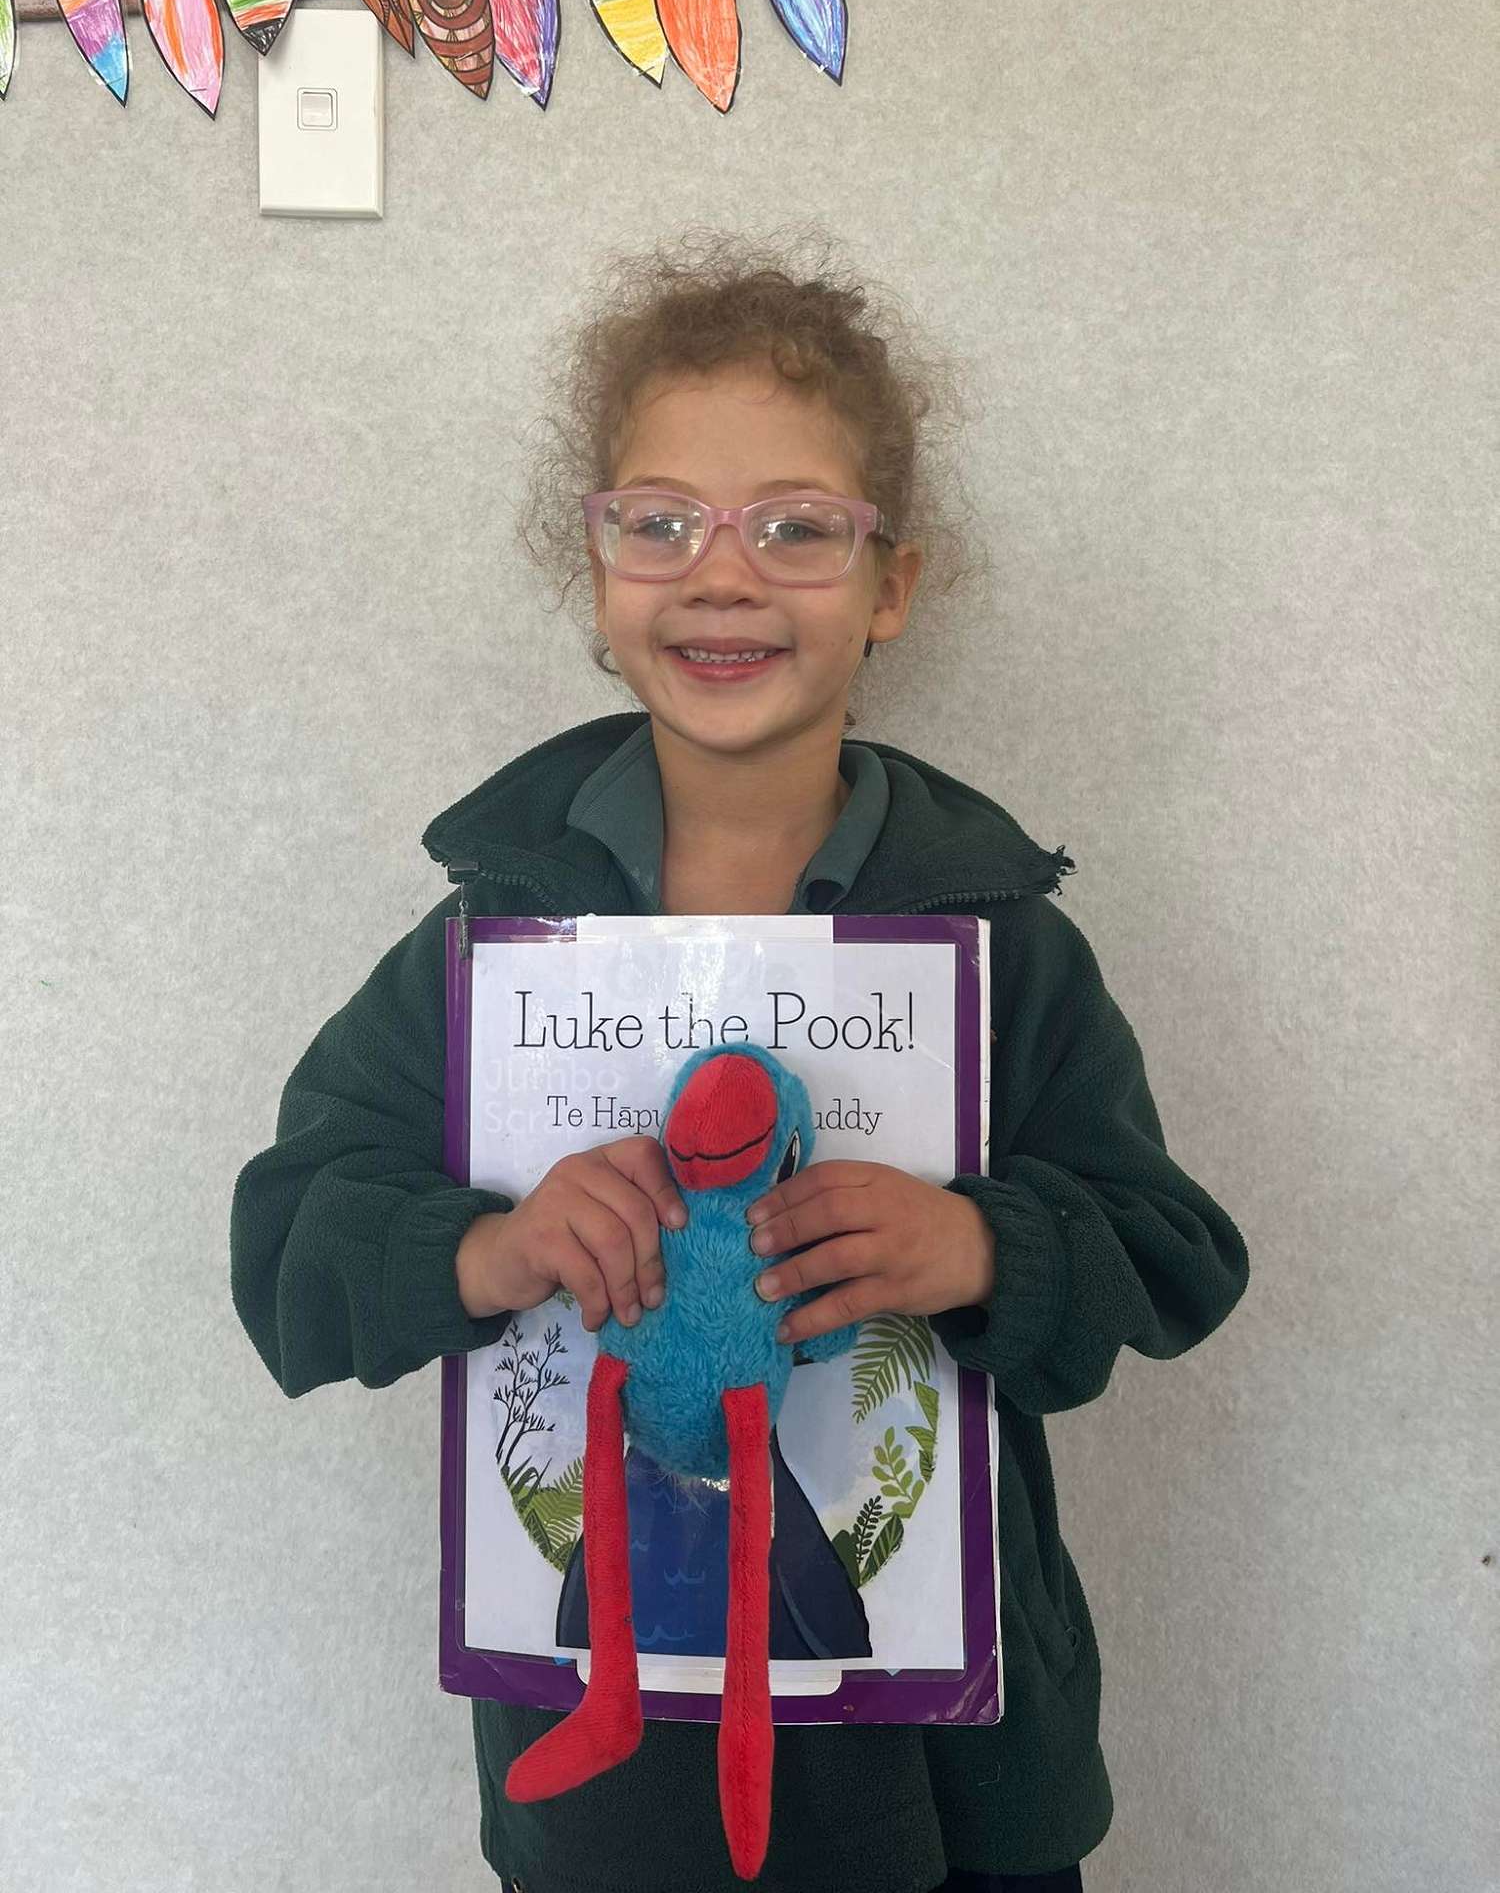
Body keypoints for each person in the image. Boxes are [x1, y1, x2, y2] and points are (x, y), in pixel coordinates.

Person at [230, 227, 1250, 1893]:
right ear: (596, 570)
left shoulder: (1001, 943)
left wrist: (983, 1245)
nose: (722, 575)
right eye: (660, 523)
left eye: (795, 527)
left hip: (956, 1767)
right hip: (611, 1756)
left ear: (890, 586)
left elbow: (1176, 1250)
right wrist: (493, 1249)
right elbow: (292, 1236)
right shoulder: (492, 941)